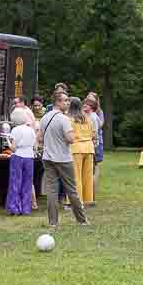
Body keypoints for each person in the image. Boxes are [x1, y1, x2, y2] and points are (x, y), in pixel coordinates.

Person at [37, 92, 89, 227]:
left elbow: (40, 138)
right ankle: (82, 220)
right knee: (72, 190)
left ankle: (53, 223)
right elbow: (71, 139)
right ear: (57, 102)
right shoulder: (64, 119)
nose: (68, 103)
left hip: (47, 158)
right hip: (63, 159)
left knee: (52, 192)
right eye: (65, 101)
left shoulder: (45, 117)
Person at [5, 108, 36, 215]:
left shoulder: (15, 130)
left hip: (18, 156)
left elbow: (13, 148)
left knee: (15, 182)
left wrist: (8, 141)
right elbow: (34, 145)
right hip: (29, 157)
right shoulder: (31, 130)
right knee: (27, 183)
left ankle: (14, 208)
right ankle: (26, 208)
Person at [69, 97, 97, 206]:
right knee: (87, 176)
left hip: (76, 149)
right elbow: (94, 134)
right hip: (89, 148)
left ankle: (77, 200)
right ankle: (88, 199)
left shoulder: (70, 119)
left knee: (76, 176)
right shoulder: (87, 118)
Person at [85, 93, 104, 187]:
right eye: (87, 99)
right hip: (88, 142)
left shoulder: (97, 113)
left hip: (95, 141)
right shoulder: (85, 113)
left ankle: (92, 187)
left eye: (91, 99)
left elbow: (100, 125)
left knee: (95, 165)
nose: (88, 101)